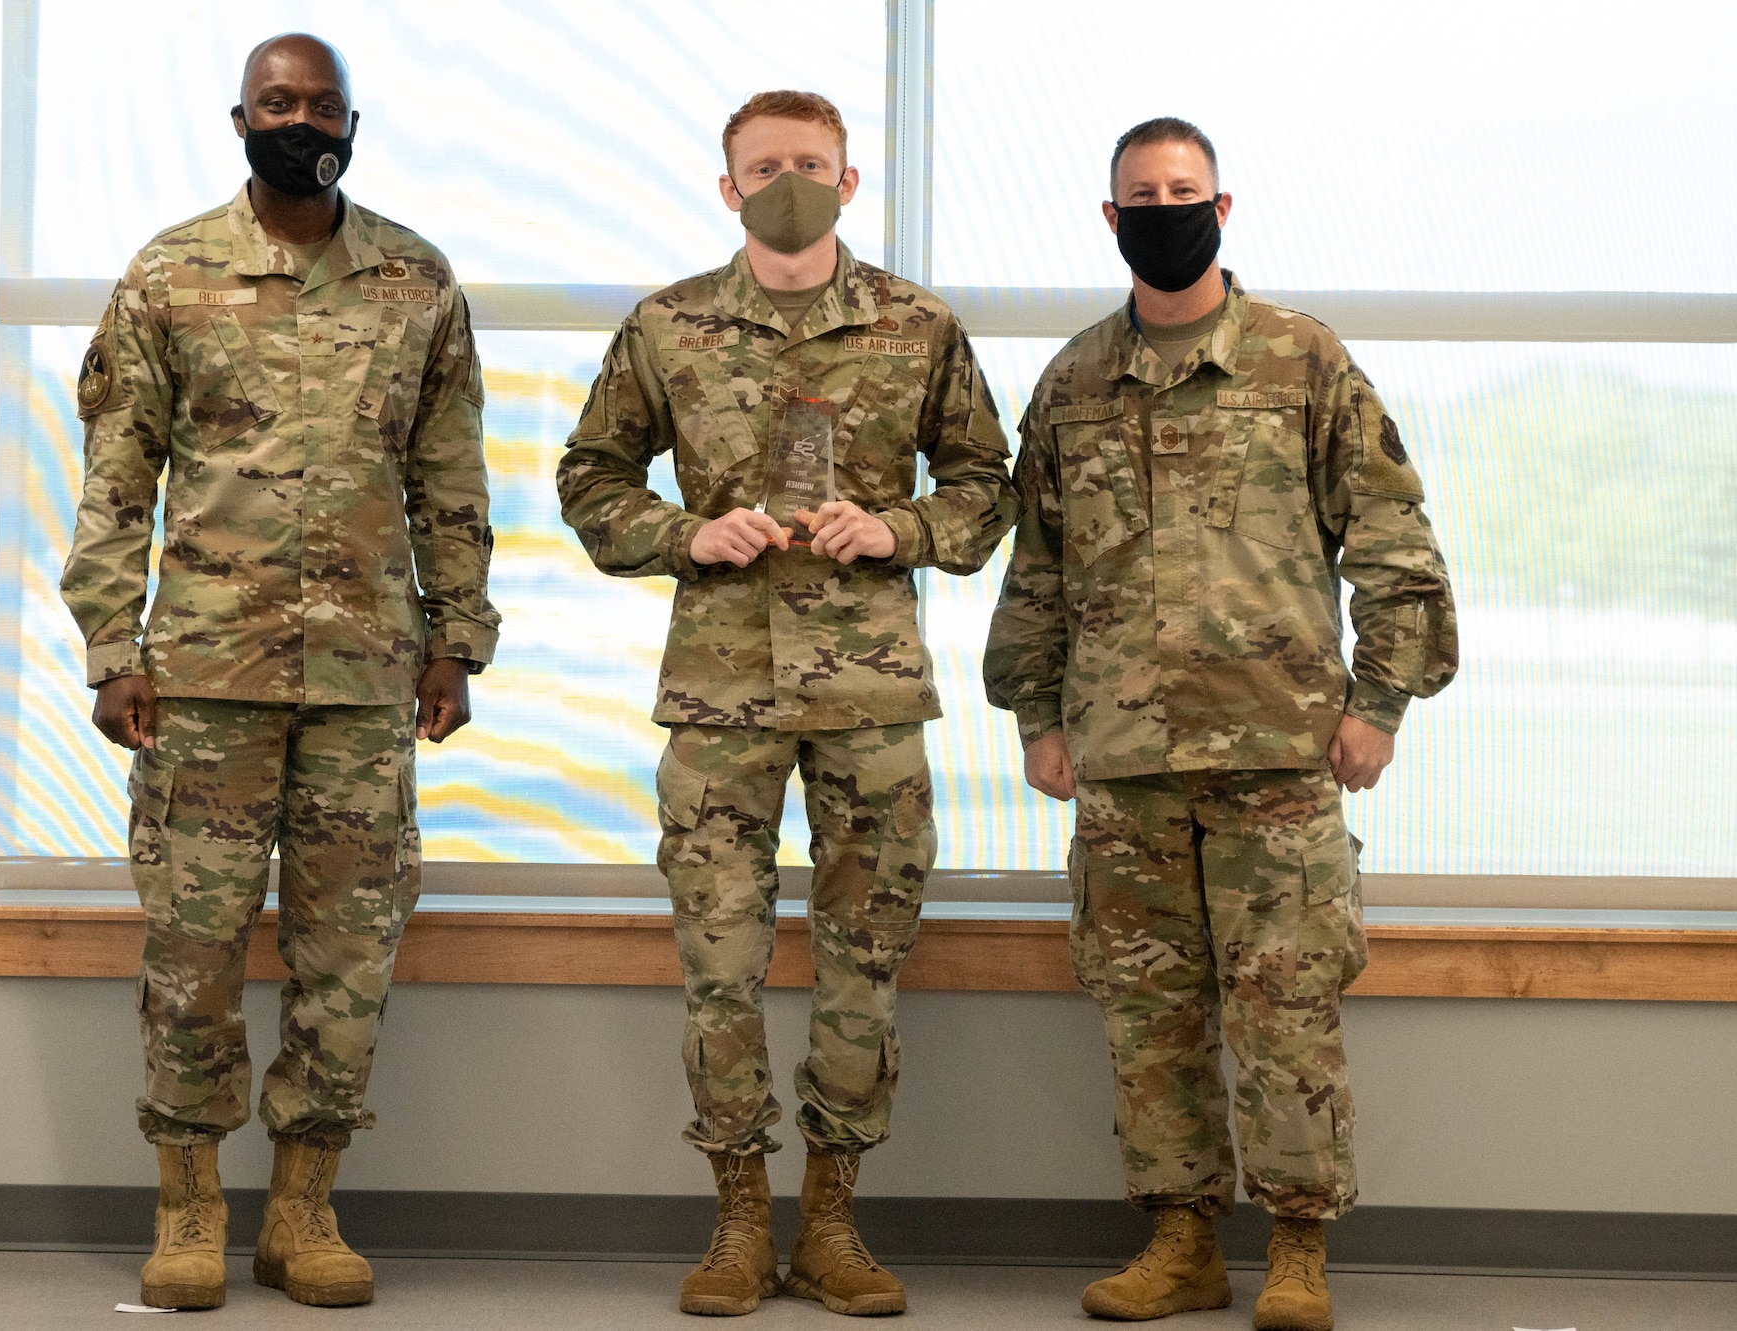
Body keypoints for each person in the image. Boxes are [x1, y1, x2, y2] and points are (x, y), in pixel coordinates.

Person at [983, 117, 1457, 1330]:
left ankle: (1295, 1248)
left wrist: (1380, 702)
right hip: (1123, 759)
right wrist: (1037, 715)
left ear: (1221, 204)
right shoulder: (1074, 380)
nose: (1161, 206)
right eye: (1139, 193)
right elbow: (1035, 567)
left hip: (1278, 753)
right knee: (1147, 1014)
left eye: (1180, 189)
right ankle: (1180, 1237)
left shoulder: (1300, 359)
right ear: (1108, 218)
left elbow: (1392, 541)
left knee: (1284, 1006)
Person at [557, 89, 1015, 1318]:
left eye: (810, 163)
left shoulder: (916, 326)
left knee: (863, 962)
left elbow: (987, 480)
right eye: (764, 167)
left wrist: (902, 526)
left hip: (868, 697)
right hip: (719, 694)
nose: (788, 182)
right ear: (728, 189)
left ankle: (831, 1221)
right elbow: (588, 475)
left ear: (849, 181)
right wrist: (684, 532)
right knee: (721, 964)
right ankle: (734, 1218)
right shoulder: (667, 325)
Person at [59, 33, 499, 1311]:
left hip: (366, 677)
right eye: (274, 101)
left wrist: (455, 639)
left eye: (319, 104)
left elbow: (450, 476)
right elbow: (114, 481)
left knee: (348, 953)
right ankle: (189, 1204)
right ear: (236, 116)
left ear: (353, 123)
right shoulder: (171, 273)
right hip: (201, 676)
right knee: (191, 946)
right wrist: (108, 646)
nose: (296, 119)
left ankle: (303, 1206)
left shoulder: (415, 279)